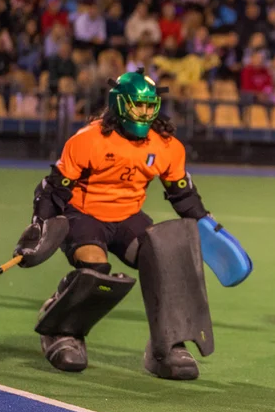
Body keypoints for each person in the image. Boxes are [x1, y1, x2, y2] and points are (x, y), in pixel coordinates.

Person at [15, 71, 220, 380]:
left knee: (165, 258)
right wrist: (39, 225)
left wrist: (206, 223)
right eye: (138, 106)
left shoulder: (166, 146)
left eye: (151, 106)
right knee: (96, 270)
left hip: (127, 218)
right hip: (83, 215)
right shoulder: (88, 140)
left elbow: (182, 193)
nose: (146, 113)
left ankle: (166, 346)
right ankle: (60, 330)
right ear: (120, 105)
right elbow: (54, 189)